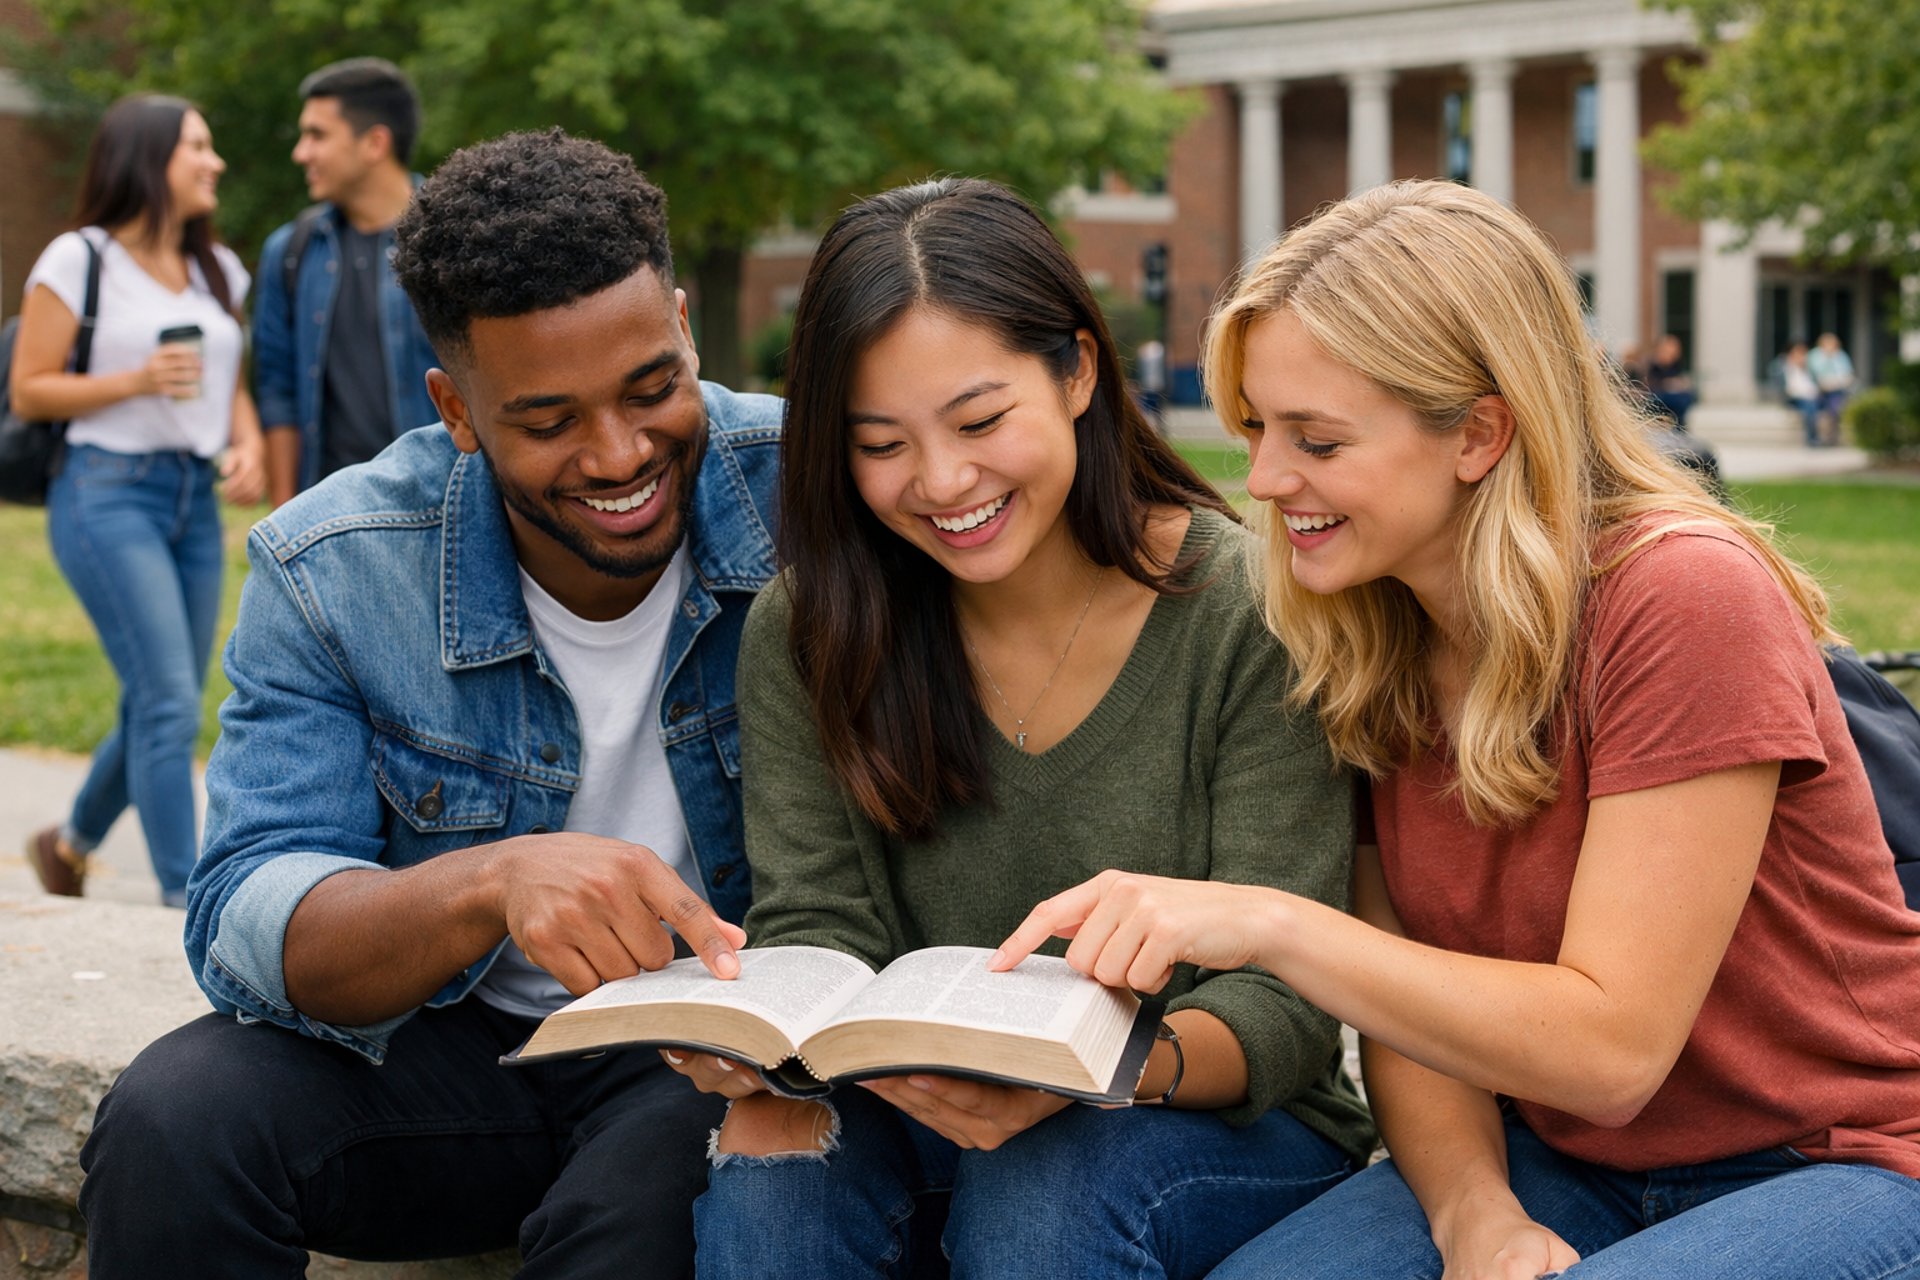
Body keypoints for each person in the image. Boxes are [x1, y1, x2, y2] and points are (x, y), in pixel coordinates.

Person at [996, 180, 1920, 1278]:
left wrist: (1275, 923)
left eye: (1318, 439)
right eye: (1256, 428)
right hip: (1563, 1155)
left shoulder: (1681, 596)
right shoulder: (1357, 625)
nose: (1266, 478)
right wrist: (1474, 1210)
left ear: (1479, 432)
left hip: (1839, 1160)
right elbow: (1409, 1008)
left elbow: (1610, 1046)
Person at [76, 129, 779, 1279]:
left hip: (708, 1046)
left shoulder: (812, 494)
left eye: (654, 387)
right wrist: (493, 882)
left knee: (644, 1219)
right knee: (173, 1122)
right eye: (548, 421)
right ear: (456, 409)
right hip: (449, 1051)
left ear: (687, 326)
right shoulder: (334, 563)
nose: (620, 453)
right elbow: (249, 910)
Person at [671, 177, 1371, 1279]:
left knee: (1039, 1195)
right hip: (911, 1102)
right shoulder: (812, 627)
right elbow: (817, 921)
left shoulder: (1248, 610)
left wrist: (1089, 1071)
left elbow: (1284, 1006)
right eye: (880, 442)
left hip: (1199, 1105)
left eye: (981, 419)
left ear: (1080, 369)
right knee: (774, 1182)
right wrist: (767, 1043)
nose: (943, 481)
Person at [17, 94, 266, 909]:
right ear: (149, 157)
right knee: (165, 698)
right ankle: (188, 901)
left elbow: (230, 379)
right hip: (106, 493)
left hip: (195, 500)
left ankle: (68, 844)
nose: (215, 162)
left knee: (164, 698)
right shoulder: (76, 259)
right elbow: (29, 390)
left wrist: (248, 442)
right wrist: (135, 380)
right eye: (199, 146)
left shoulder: (217, 269)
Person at [253, 57, 439, 505]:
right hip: (332, 510)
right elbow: (277, 389)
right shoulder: (290, 251)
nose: (301, 153)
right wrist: (285, 511)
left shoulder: (452, 238)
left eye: (317, 135)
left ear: (375, 143)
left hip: (443, 500)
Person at [1808, 331, 1857, 446]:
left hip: (1836, 390)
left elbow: (1847, 373)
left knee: (1835, 410)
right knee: (1811, 409)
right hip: (1818, 390)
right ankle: (1814, 438)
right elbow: (1813, 373)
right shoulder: (1814, 355)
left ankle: (1831, 438)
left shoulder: (1841, 356)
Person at [1643, 331, 1695, 428]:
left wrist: (1679, 383)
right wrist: (1667, 383)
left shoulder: (1676, 364)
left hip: (1674, 394)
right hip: (1659, 395)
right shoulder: (1654, 364)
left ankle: (1679, 425)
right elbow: (1650, 383)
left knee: (1687, 396)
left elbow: (1681, 379)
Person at [1778, 339, 1823, 447]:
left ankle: (1815, 438)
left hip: (1812, 397)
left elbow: (1814, 385)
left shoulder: (1809, 369)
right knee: (1810, 407)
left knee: (1813, 405)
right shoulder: (1786, 369)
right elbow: (1790, 389)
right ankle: (1812, 439)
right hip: (1796, 398)